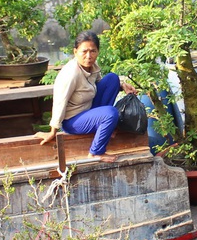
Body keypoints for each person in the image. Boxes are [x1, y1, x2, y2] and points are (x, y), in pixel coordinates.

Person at [39, 30, 136, 163]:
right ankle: (95, 152)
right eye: (84, 51)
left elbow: (101, 85)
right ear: (75, 52)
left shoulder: (93, 66)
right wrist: (53, 131)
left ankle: (105, 127)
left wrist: (122, 85)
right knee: (110, 113)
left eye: (93, 51)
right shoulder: (71, 74)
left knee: (113, 79)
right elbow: (59, 102)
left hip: (88, 109)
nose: (89, 56)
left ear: (98, 52)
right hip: (72, 121)